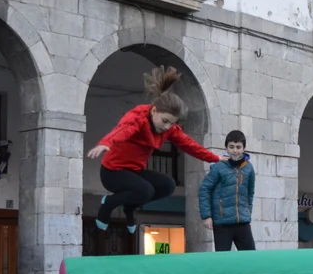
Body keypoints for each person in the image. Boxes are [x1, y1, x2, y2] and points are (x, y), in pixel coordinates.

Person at [88, 66, 220, 233]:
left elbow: (189, 145)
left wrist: (215, 158)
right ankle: (108, 203)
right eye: (165, 121)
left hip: (134, 172)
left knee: (168, 185)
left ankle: (130, 207)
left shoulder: (169, 128)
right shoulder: (139, 117)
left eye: (172, 123)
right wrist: (106, 142)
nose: (167, 127)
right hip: (112, 172)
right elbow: (123, 129)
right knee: (146, 190)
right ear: (154, 111)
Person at [199, 130, 256, 252]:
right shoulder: (218, 167)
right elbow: (204, 189)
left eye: (238, 147)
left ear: (243, 149)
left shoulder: (249, 168)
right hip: (222, 222)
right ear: (226, 148)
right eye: (231, 147)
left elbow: (250, 193)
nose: (235, 150)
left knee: (250, 258)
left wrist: (248, 213)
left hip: (242, 222)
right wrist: (206, 216)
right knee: (222, 259)